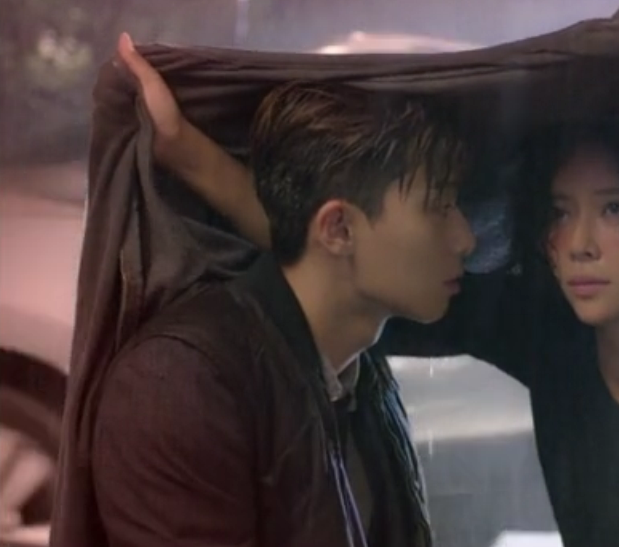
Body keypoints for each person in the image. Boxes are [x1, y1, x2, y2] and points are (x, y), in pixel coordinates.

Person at [128, 15, 619, 547]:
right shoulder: (552, 338)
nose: (579, 244)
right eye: (560, 213)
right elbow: (355, 267)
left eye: (614, 209)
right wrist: (197, 162)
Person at [82, 34, 474, 547]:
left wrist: (186, 151)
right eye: (439, 207)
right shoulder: (180, 385)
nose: (466, 239)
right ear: (338, 229)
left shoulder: (360, 371)